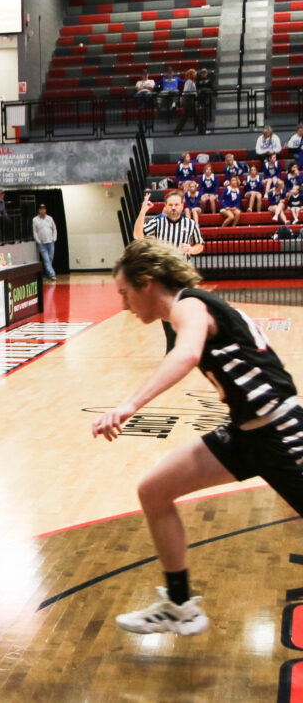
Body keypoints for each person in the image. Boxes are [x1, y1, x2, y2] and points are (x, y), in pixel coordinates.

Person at [92, 238, 303, 637]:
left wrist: (128, 406)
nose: (123, 305)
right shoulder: (185, 312)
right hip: (246, 435)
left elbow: (187, 356)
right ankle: (180, 606)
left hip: (280, 430)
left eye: (125, 293)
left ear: (147, 283)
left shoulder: (189, 305)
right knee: (154, 490)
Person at [133, 189, 204, 351]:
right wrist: (143, 211)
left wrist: (192, 249)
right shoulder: (159, 222)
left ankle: (184, 344)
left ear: (182, 206)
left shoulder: (190, 224)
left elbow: (200, 245)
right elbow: (138, 235)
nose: (173, 208)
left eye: (176, 205)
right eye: (170, 205)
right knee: (166, 309)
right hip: (163, 273)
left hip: (183, 273)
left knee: (184, 308)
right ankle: (172, 347)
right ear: (165, 206)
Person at [32, 203, 58, 282]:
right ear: (39, 210)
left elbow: (54, 228)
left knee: (50, 259)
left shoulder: (50, 218)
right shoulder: (35, 219)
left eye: (43, 209)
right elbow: (35, 231)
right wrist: (38, 241)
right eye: (41, 209)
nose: (42, 210)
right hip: (42, 243)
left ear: (45, 210)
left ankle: (48, 274)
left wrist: (54, 238)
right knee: (46, 260)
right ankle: (52, 275)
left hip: (50, 242)